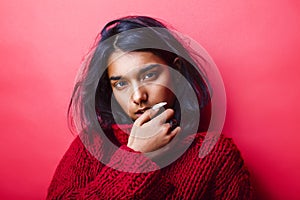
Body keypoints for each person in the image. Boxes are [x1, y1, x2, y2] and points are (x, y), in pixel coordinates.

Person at [47, 16, 253, 199]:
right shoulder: (93, 143)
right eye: (121, 84)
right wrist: (136, 155)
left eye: (149, 75)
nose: (138, 96)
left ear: (176, 71)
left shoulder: (215, 156)